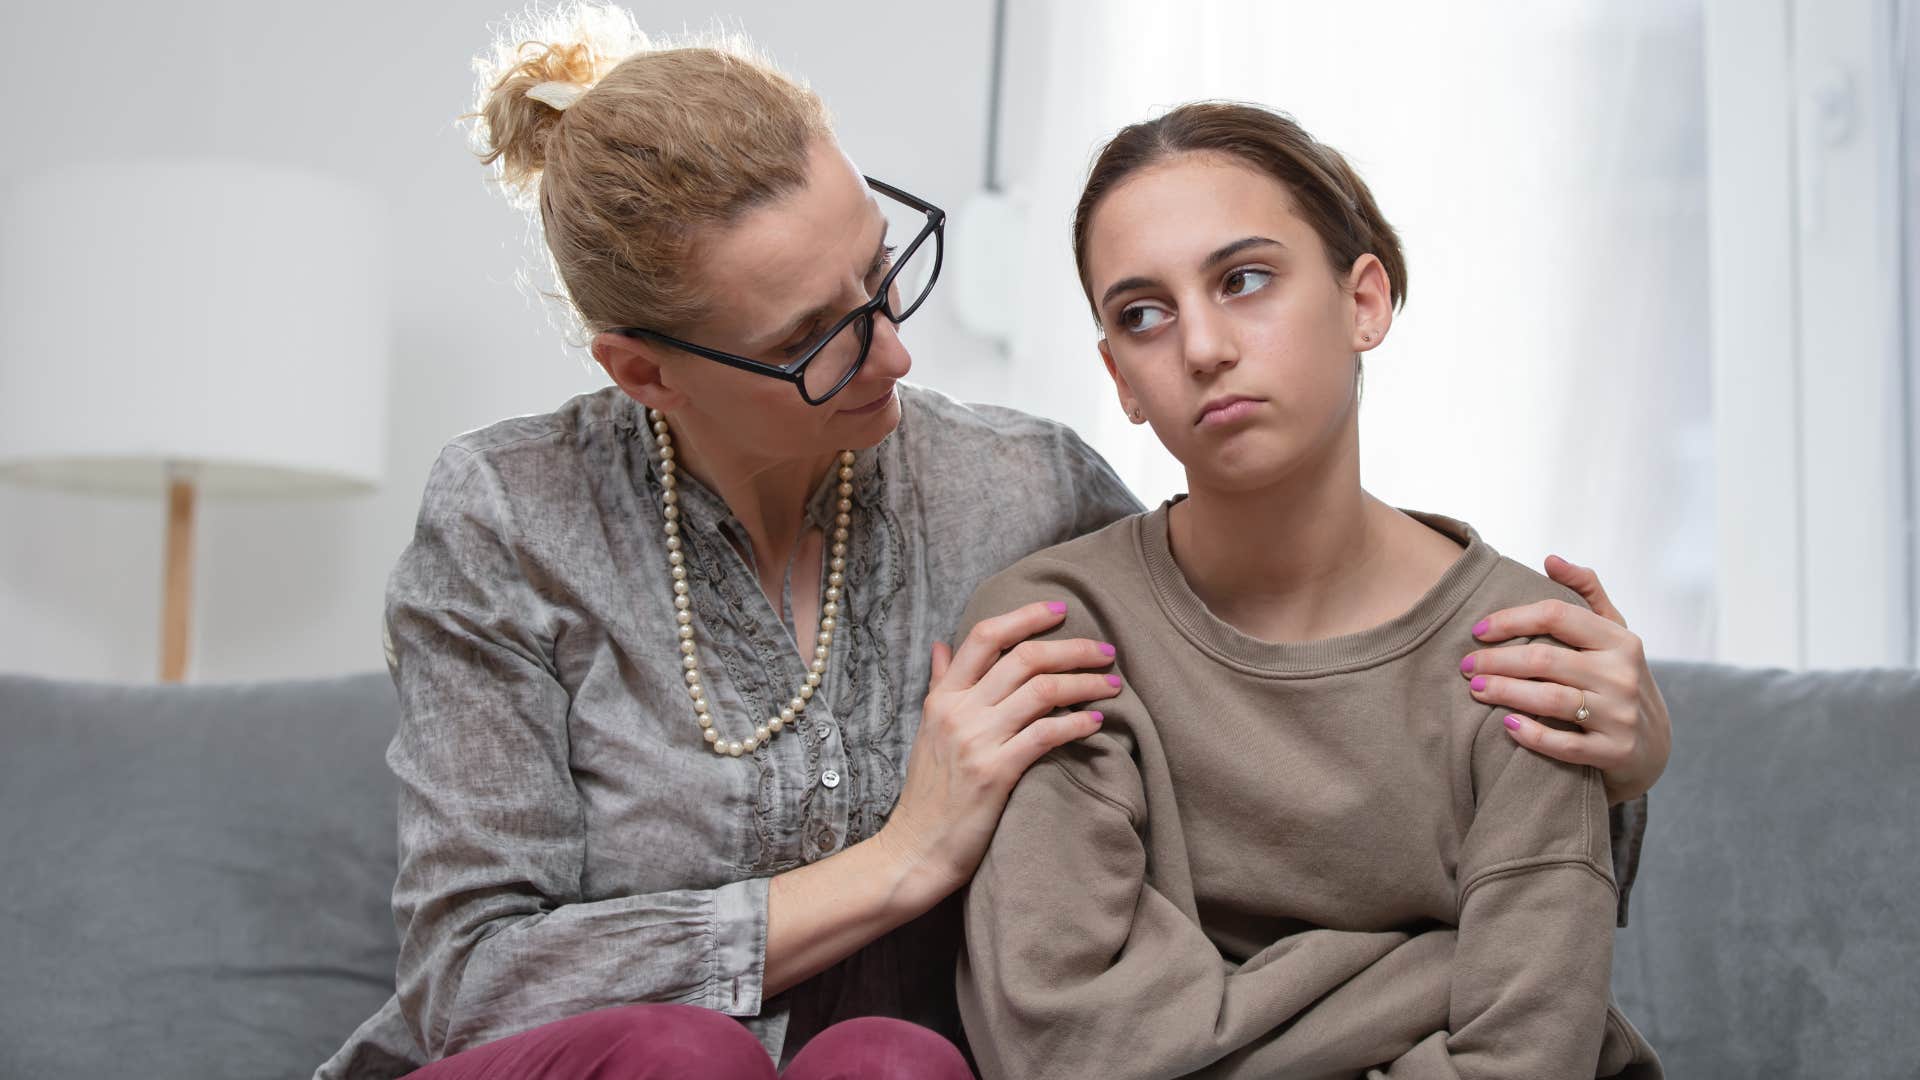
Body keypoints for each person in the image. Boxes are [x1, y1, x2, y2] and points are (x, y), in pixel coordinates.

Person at [318, 9, 1671, 1078]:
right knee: (688, 1056)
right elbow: (468, 982)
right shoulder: (507, 516)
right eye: (813, 339)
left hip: (886, 1070)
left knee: (898, 1063)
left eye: (883, 269)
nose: (895, 349)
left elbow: (1275, 713)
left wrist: (1623, 772)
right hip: (582, 1070)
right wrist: (906, 857)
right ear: (646, 374)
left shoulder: (1024, 492)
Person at [953, 101, 1664, 1078]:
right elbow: (1070, 1047)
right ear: (1119, 376)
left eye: (1244, 280)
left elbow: (1522, 1062)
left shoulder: (1531, 653)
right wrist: (1432, 971)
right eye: (1144, 314)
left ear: (1363, 301)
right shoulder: (1054, 630)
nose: (1201, 347)